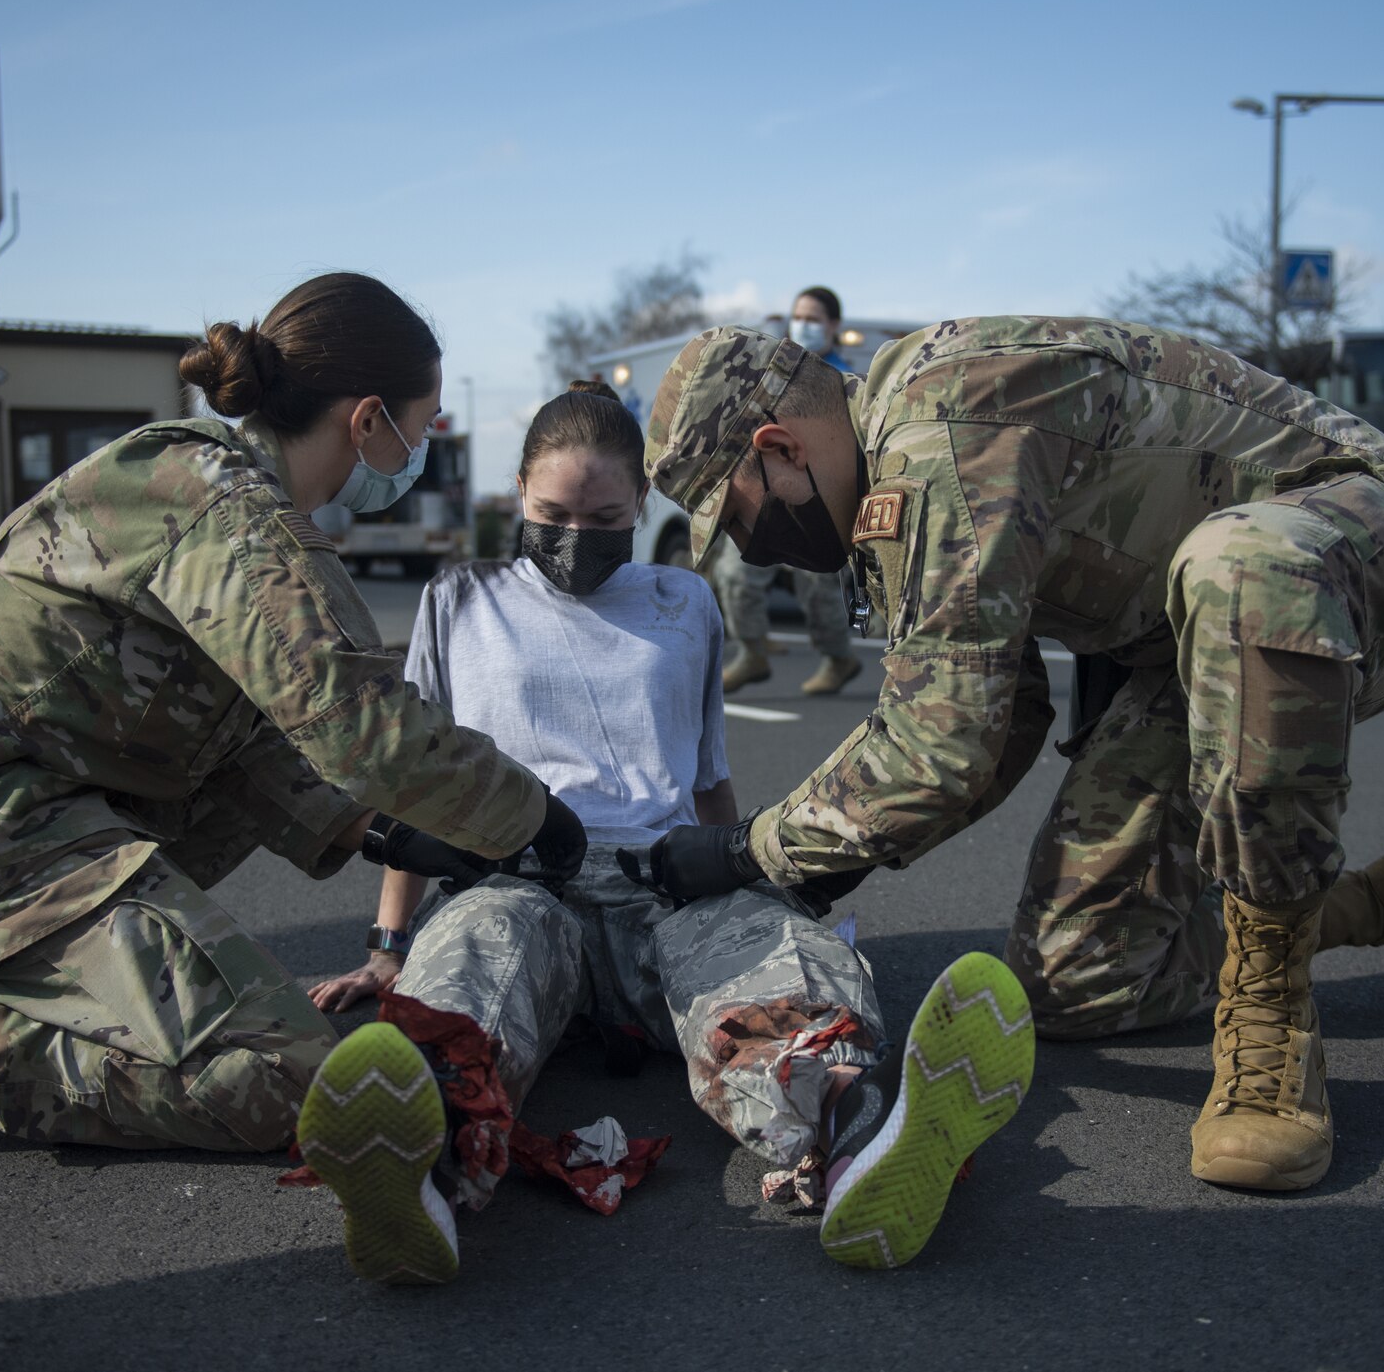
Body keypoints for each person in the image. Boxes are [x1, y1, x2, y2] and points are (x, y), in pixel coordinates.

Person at [632, 318, 1384, 1193]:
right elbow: (996, 713)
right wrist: (813, 876)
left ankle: (1272, 1010)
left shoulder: (938, 431)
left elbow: (939, 744)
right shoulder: (892, 466)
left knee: (1243, 568)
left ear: (779, 446)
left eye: (739, 514)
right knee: (1078, 979)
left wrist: (747, 850)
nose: (751, 546)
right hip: (1192, 648)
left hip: (1382, 561)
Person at [0, 272, 587, 1155]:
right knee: (285, 1080)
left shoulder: (211, 480)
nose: (425, 446)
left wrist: (382, 834)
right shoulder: (231, 514)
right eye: (425, 422)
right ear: (368, 421)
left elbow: (252, 732)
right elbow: (360, 722)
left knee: (251, 993)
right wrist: (533, 816)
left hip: (20, 801)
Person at [299, 381, 1033, 1283]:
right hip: (517, 874)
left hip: (665, 875)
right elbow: (414, 787)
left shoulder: (685, 601)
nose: (576, 534)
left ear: (641, 503)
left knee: (775, 980)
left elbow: (709, 781)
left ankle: (856, 1149)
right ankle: (419, 1179)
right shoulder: (460, 597)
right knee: (471, 972)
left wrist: (752, 887)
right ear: (518, 491)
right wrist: (387, 946)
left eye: (604, 513)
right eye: (551, 511)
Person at [711, 287, 862, 696]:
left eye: (813, 318)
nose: (803, 325)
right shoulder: (776, 375)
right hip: (767, 492)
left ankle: (838, 657)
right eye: (799, 316)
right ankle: (752, 652)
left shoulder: (843, 381)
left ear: (833, 326)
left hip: (812, 498)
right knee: (735, 571)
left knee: (816, 584)